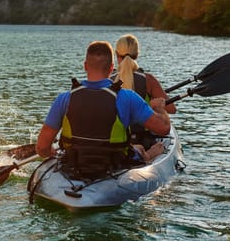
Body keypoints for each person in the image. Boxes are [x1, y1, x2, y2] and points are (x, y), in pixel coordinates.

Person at [36, 41, 170, 177]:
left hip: (74, 164)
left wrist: (51, 152)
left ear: (85, 66)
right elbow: (163, 128)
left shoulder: (64, 98)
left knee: (138, 148)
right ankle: (151, 153)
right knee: (141, 148)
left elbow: (41, 148)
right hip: (115, 164)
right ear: (112, 68)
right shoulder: (128, 97)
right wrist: (159, 108)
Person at [113, 34, 176, 150]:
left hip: (115, 142)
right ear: (136, 55)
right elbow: (171, 109)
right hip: (142, 142)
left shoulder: (107, 80)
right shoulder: (148, 80)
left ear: (116, 54)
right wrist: (156, 106)